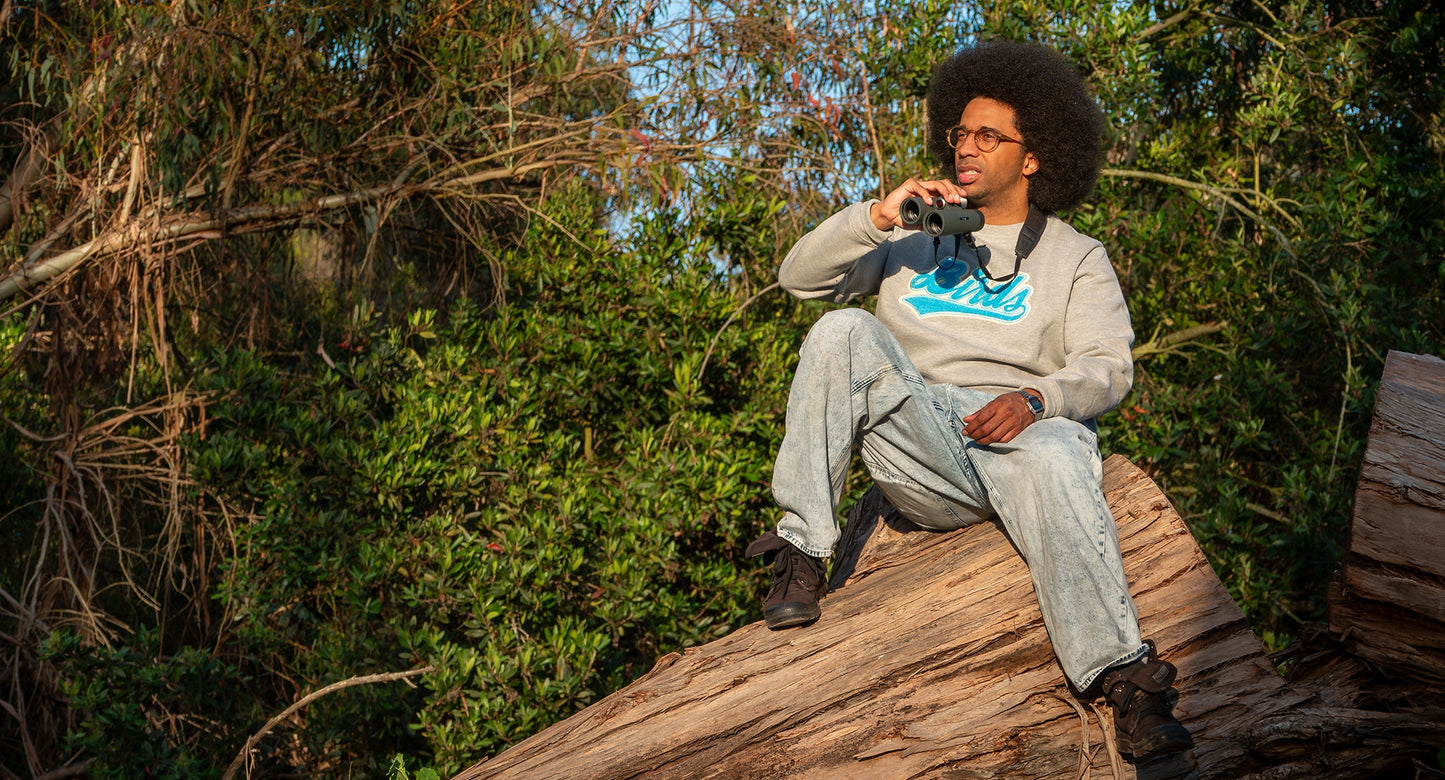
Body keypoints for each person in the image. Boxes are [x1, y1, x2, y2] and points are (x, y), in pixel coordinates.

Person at [745, 40, 1194, 760]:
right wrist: (877, 216)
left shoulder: (1077, 257)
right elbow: (798, 280)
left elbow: (1108, 369)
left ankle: (1126, 682)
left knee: (1055, 449)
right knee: (841, 332)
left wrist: (1033, 398)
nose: (966, 146)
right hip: (920, 442)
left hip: (1017, 440)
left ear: (1034, 154)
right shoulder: (908, 237)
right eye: (959, 132)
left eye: (989, 135)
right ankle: (802, 550)